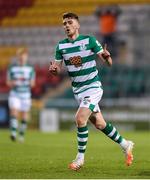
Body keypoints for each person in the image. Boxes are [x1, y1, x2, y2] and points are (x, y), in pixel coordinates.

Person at [49, 12, 134, 171]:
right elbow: (57, 70)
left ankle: (80, 159)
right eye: (64, 23)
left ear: (77, 25)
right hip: (78, 91)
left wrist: (108, 57)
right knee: (100, 124)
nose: (66, 25)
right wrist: (53, 70)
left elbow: (108, 62)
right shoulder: (61, 46)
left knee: (80, 119)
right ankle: (125, 144)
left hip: (93, 87)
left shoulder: (89, 41)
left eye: (69, 22)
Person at [7, 48, 35, 142]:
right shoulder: (12, 68)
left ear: (26, 57)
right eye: (21, 55)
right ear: (18, 57)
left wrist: (30, 83)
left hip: (26, 95)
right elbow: (8, 82)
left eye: (24, 56)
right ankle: (13, 133)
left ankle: (21, 135)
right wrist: (13, 83)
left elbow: (33, 83)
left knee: (24, 115)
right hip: (15, 94)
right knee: (14, 112)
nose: (22, 57)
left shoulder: (30, 69)